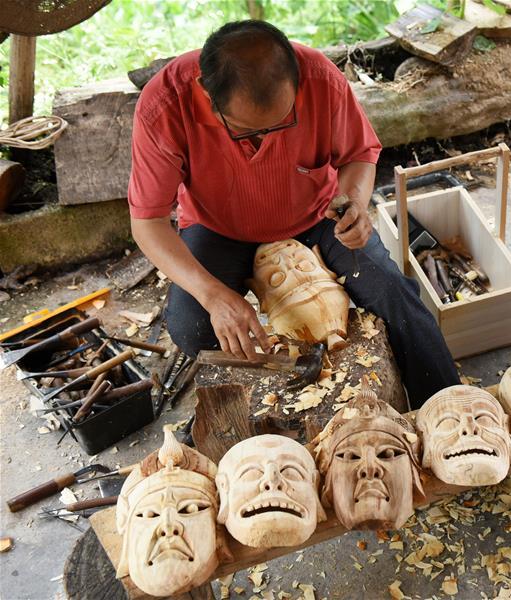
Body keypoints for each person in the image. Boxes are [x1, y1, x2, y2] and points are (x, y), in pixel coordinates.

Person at [127, 20, 459, 408]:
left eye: (281, 123)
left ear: (297, 79)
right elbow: (147, 223)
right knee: (193, 325)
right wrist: (214, 296)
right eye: (244, 131)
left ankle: (446, 408)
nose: (264, 140)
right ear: (206, 94)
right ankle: (268, 422)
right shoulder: (165, 105)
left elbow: (357, 155)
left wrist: (353, 202)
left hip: (316, 216)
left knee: (394, 294)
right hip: (217, 225)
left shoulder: (321, 78)